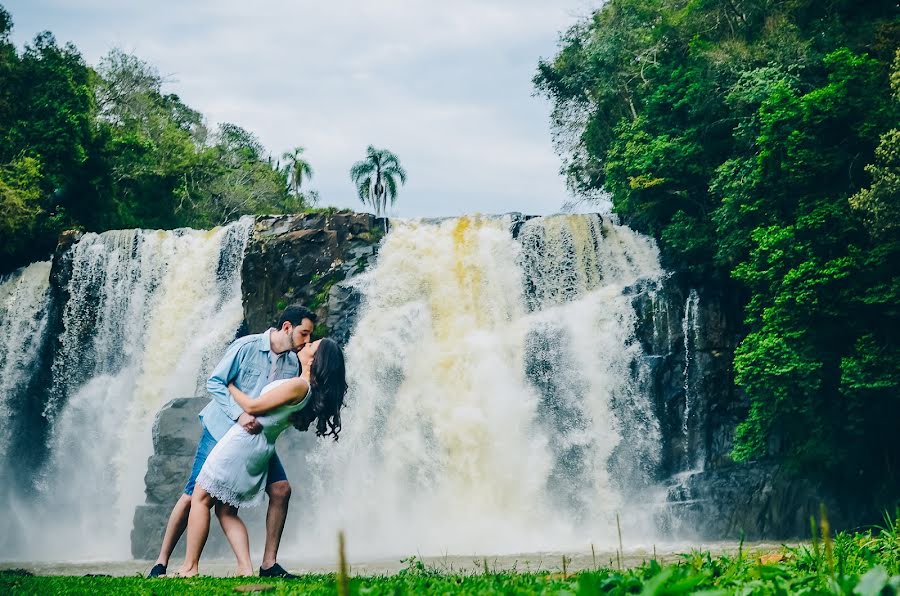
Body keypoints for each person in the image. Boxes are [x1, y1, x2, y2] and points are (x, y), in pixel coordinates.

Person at [147, 305, 316, 579]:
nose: (306, 341)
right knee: (194, 496)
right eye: (304, 334)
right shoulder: (247, 346)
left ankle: (267, 565)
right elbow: (215, 382)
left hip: (255, 440)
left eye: (309, 337)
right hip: (222, 429)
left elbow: (278, 404)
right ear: (287, 327)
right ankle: (161, 562)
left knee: (280, 490)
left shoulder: (292, 364)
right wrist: (239, 416)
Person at [175, 338, 347, 577]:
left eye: (311, 346)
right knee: (225, 511)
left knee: (201, 499)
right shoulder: (307, 389)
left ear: (316, 359)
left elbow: (254, 407)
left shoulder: (299, 385)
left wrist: (231, 386)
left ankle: (189, 567)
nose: (304, 346)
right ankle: (245, 569)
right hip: (257, 446)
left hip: (241, 445)